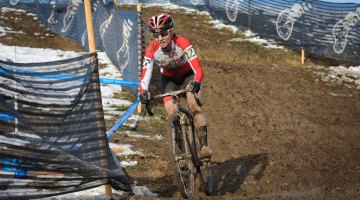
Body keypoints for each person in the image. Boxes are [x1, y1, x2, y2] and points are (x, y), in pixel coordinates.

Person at [139, 13, 212, 159]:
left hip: (188, 76)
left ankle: (204, 147)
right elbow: (145, 76)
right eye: (156, 35)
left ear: (170, 31)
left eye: (164, 33)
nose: (160, 38)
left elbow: (198, 69)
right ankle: (182, 154)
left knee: (193, 104)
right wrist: (143, 92)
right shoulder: (152, 49)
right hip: (169, 79)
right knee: (171, 111)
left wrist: (196, 82)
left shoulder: (182, 42)